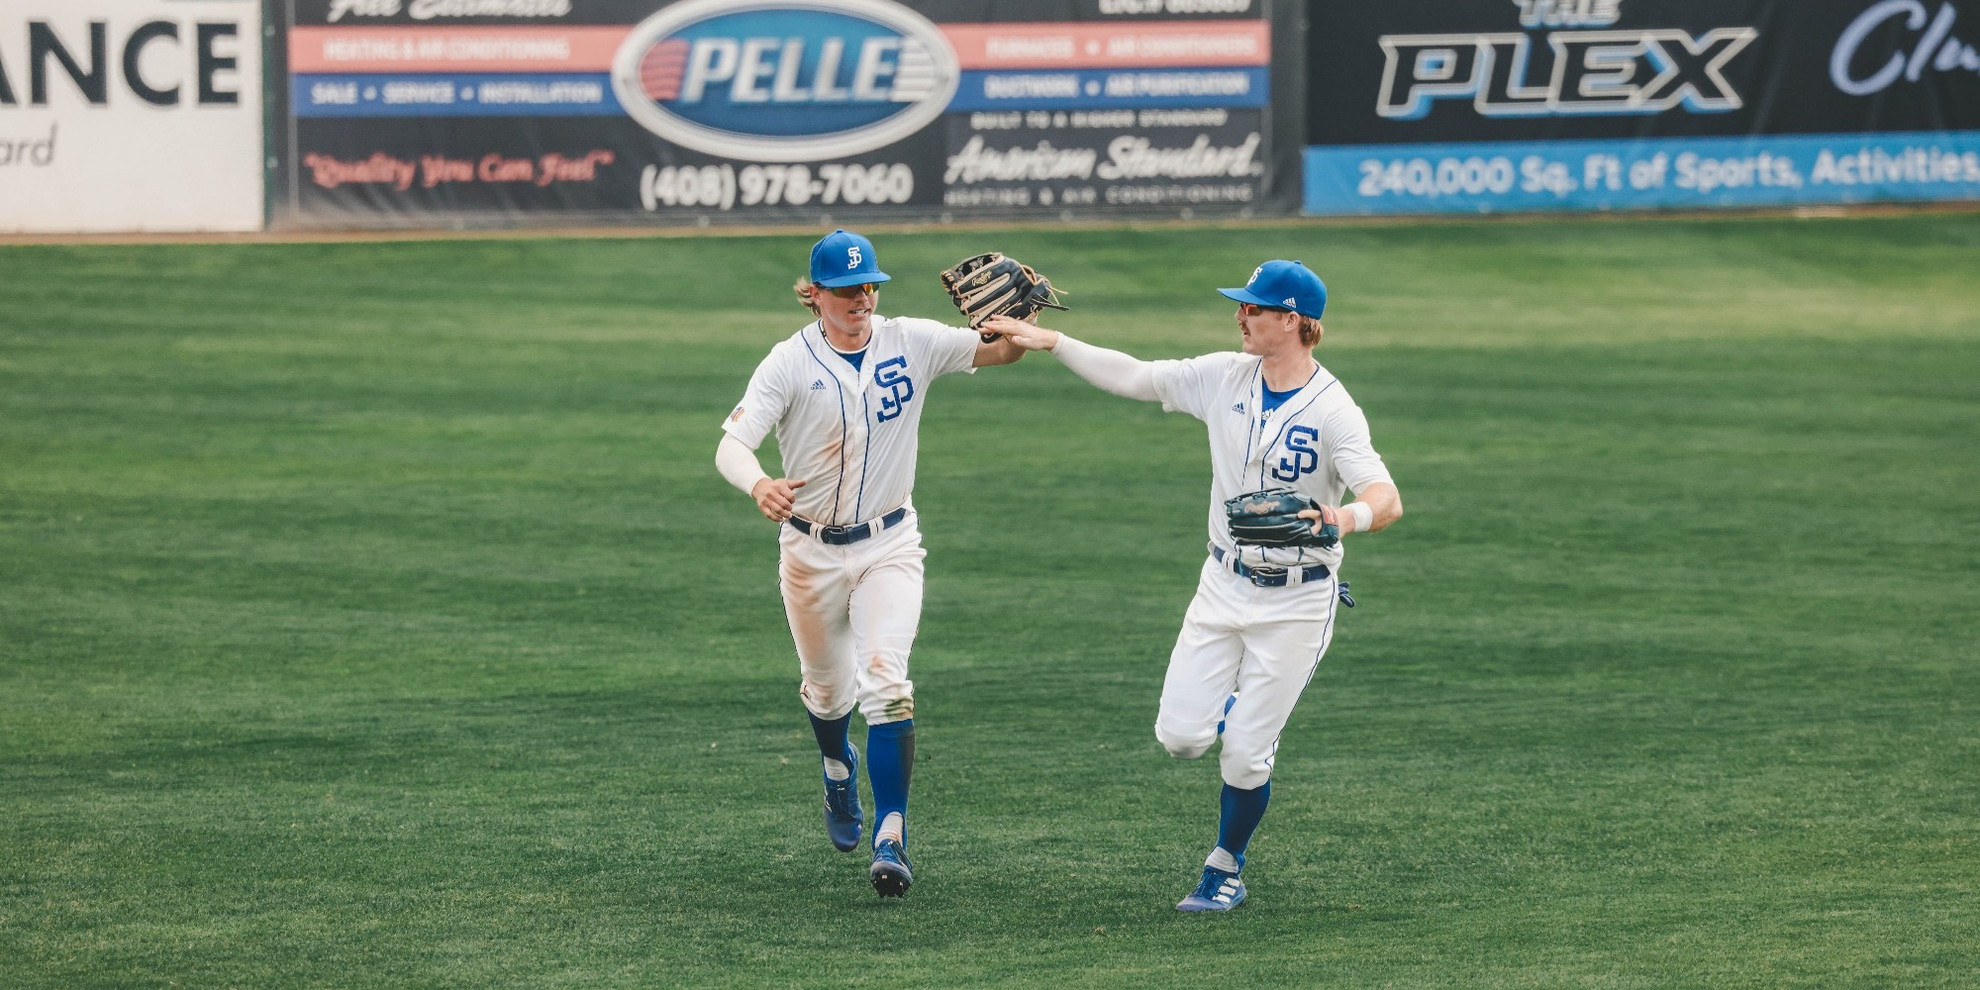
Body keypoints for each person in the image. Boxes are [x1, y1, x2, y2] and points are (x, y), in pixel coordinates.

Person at [991, 260, 1403, 912]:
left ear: (1291, 321)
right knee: (1181, 738)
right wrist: (1056, 343)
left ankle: (1225, 867)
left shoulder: (1333, 409)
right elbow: (1135, 375)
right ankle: (1241, 716)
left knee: (1243, 758)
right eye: (1242, 306)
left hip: (1297, 600)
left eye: (1254, 309)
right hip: (1222, 584)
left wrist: (1343, 516)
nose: (1240, 315)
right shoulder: (1224, 377)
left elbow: (1386, 497)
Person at [716, 229, 1031, 898]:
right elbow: (732, 445)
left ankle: (892, 833)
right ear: (816, 295)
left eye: (869, 286)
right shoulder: (787, 363)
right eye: (846, 289)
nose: (862, 297)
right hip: (809, 550)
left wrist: (1018, 324)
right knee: (827, 692)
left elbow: (999, 353)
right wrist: (758, 484)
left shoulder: (910, 340)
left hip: (890, 544)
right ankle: (835, 765)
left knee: (886, 682)